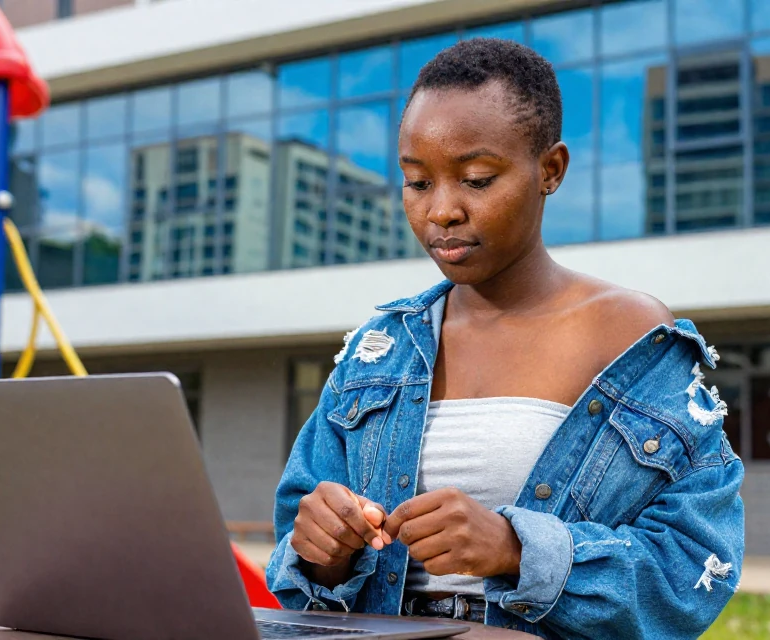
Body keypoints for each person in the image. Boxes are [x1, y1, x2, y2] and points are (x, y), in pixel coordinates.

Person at [266, 38, 745, 639]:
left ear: (551, 170)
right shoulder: (380, 349)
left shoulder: (630, 336)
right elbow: (298, 559)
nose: (441, 210)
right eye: (417, 183)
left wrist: (518, 550)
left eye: (476, 179)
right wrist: (321, 553)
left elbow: (695, 567)